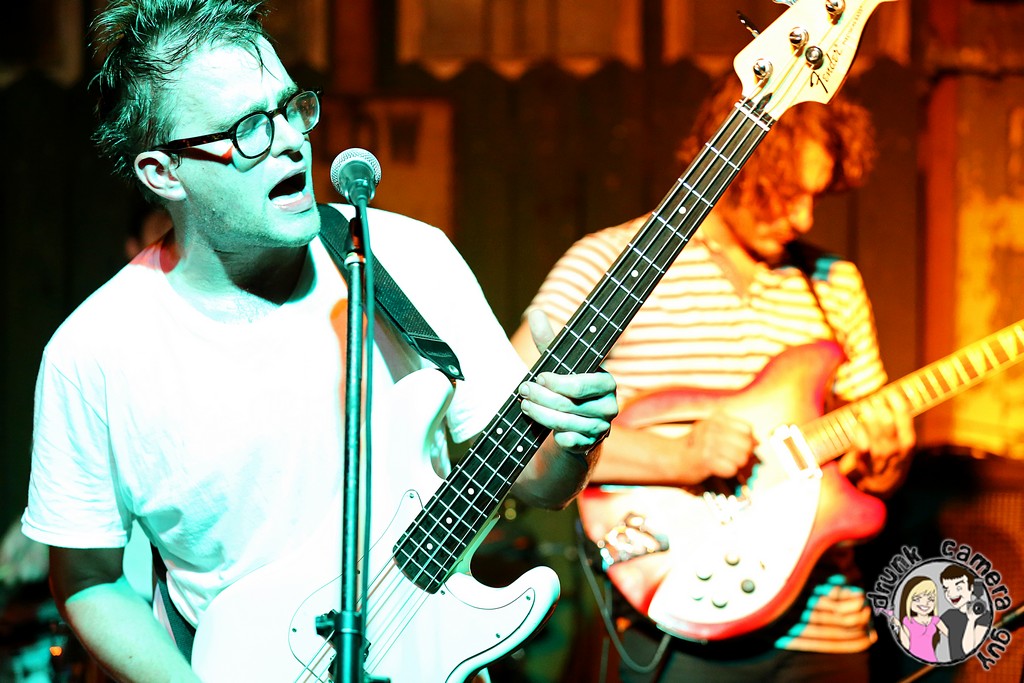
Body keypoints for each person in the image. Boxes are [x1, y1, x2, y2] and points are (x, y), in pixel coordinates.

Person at [20, 1, 617, 681]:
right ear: (164, 174)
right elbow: (88, 579)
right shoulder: (94, 352)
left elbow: (538, 481)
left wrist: (575, 441)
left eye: (290, 107)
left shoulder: (411, 259)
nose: (290, 142)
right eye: (248, 128)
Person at [512, 75, 916, 681]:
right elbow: (506, 439)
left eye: (817, 196)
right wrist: (679, 457)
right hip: (674, 618)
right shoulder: (608, 261)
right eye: (787, 193)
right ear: (738, 162)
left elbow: (860, 467)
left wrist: (885, 462)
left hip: (824, 630)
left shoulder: (835, 283)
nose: (804, 217)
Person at [938, 564, 991, 661]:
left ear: (971, 587)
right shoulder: (949, 614)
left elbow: (968, 650)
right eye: (947, 589)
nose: (951, 594)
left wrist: (971, 620)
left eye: (958, 588)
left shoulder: (984, 616)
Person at [890, 576, 946, 662]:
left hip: (932, 659)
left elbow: (951, 635)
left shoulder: (935, 620)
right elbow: (907, 645)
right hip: (912, 661)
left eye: (930, 599)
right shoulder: (907, 621)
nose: (925, 603)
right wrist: (899, 627)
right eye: (917, 599)